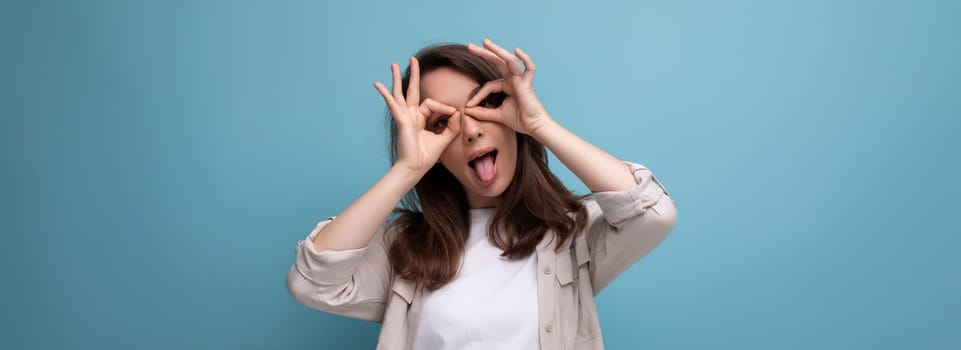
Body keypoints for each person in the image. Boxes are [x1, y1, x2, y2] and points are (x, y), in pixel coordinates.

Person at [286, 38, 678, 350]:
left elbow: (653, 214)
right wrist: (406, 170)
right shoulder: (406, 248)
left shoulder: (573, 234)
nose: (471, 130)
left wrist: (539, 123)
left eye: (486, 104)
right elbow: (311, 283)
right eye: (443, 121)